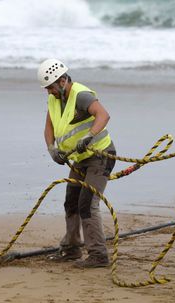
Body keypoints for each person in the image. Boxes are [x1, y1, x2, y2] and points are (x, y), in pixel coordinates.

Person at [38, 58, 116, 268]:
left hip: (100, 156)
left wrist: (89, 136)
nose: (49, 92)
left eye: (51, 87)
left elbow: (103, 115)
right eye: (46, 89)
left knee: (87, 204)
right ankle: (72, 249)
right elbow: (49, 128)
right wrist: (52, 149)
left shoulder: (81, 95)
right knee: (71, 201)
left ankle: (98, 255)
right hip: (80, 160)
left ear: (62, 81)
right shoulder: (54, 100)